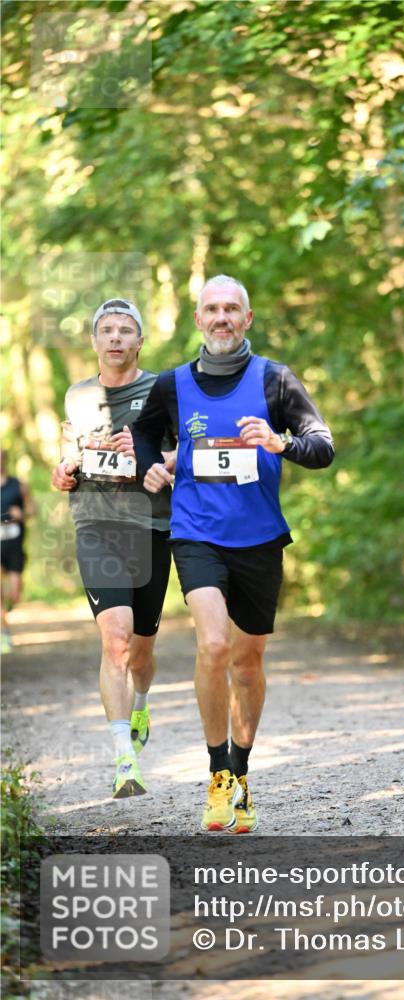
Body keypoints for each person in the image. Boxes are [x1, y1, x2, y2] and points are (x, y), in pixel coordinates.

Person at [133, 274, 334, 833]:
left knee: (247, 665)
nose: (221, 318)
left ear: (247, 319)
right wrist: (152, 463)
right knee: (214, 645)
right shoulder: (173, 385)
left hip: (260, 540)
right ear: (198, 320)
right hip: (195, 533)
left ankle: (242, 773)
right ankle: (218, 775)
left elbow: (323, 446)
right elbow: (145, 433)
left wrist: (281, 443)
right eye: (211, 309)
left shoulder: (275, 379)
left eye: (232, 309)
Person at [51, 299, 174, 799]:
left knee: (141, 651)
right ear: (95, 340)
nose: (116, 338)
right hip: (96, 524)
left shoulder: (162, 390)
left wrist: (149, 454)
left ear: (140, 341)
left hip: (150, 526)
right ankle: (124, 760)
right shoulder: (77, 396)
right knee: (116, 641)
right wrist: (62, 469)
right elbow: (68, 449)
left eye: (126, 330)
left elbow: (183, 451)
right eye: (107, 330)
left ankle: (140, 701)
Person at [1, 450, 35, 653]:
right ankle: (4, 633)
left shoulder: (19, 485)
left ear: (5, 460)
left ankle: (8, 607)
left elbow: (32, 510)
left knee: (14, 594)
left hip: (14, 546)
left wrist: (21, 514)